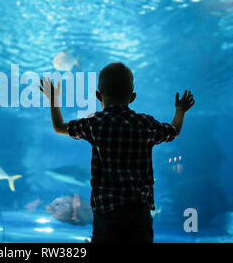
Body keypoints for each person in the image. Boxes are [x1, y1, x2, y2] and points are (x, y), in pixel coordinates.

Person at [39, 62, 194, 243]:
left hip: (107, 211)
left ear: (98, 96)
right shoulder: (145, 124)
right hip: (139, 212)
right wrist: (180, 111)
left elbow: (59, 127)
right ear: (132, 97)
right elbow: (173, 131)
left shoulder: (95, 124)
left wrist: (53, 101)